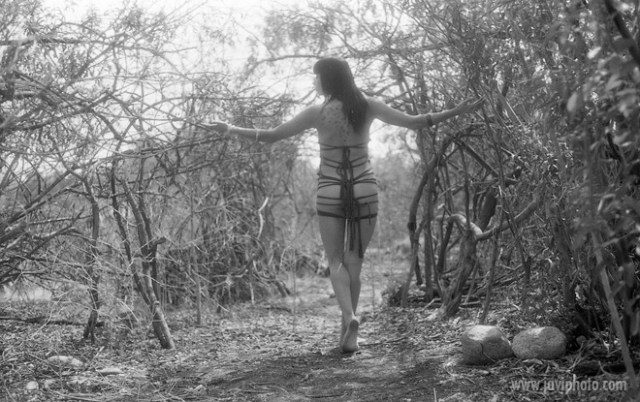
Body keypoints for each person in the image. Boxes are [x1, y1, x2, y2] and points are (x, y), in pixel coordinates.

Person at [205, 57, 482, 353]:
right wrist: (456, 110)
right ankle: (348, 336)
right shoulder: (368, 105)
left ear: (328, 79)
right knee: (354, 261)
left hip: (330, 188)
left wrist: (230, 128)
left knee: (335, 260)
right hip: (364, 187)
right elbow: (415, 122)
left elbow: (271, 136)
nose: (314, 82)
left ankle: (349, 319)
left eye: (317, 77)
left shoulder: (316, 112)